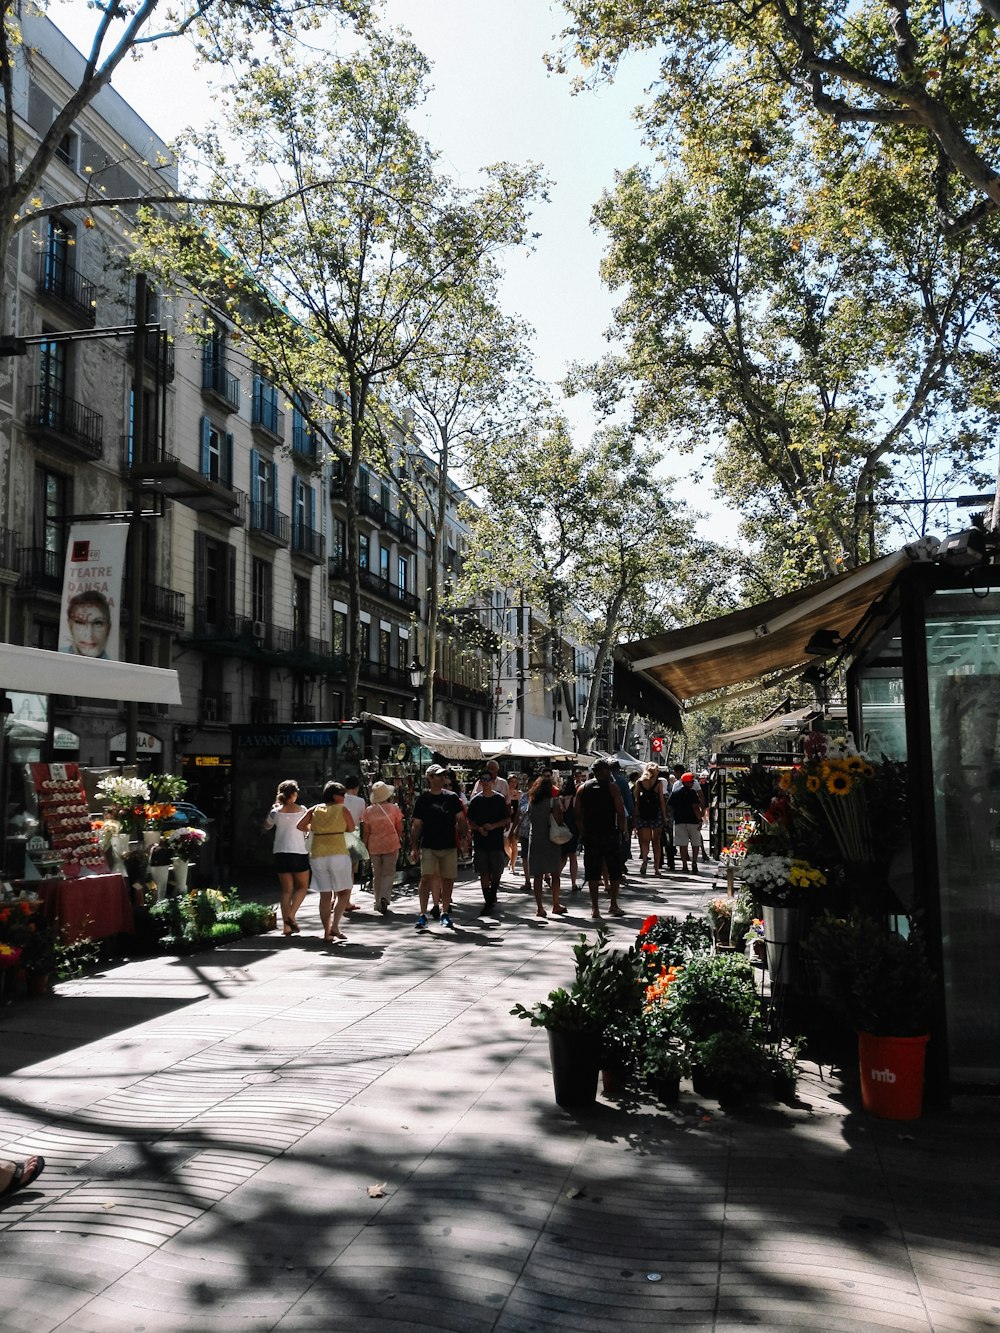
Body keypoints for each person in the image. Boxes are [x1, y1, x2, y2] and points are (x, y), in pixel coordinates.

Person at [409, 764, 469, 929]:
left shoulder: (451, 798)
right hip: (428, 845)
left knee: (448, 879)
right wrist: (414, 847)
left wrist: (463, 840)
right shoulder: (423, 799)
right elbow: (416, 825)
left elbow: (461, 820)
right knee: (425, 877)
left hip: (449, 844)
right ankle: (422, 914)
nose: (443, 778)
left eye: (444, 775)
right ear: (430, 778)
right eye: (438, 775)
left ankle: (445, 913)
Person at [297, 780, 356, 942]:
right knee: (344, 892)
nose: (344, 797)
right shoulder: (342, 809)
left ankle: (326, 932)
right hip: (338, 853)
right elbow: (351, 828)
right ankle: (335, 925)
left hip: (317, 855)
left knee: (325, 895)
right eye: (342, 795)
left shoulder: (314, 809)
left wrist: (314, 829)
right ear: (335, 796)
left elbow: (300, 825)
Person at [575, 758, 627, 918]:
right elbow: (620, 811)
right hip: (609, 833)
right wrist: (622, 830)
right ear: (604, 771)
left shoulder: (582, 788)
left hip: (591, 835)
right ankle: (613, 904)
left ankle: (595, 908)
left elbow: (577, 814)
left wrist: (583, 832)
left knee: (592, 872)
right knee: (614, 870)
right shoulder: (612, 788)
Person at [264, 779, 310, 935]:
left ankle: (286, 927)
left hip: (280, 852)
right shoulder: (303, 810)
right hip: (299, 851)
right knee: (302, 887)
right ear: (294, 794)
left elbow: (267, 826)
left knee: (286, 891)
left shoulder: (275, 812)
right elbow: (307, 829)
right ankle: (291, 915)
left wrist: (275, 809)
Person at [467, 769, 509, 914]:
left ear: (492, 782)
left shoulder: (499, 799)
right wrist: (479, 829)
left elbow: (506, 819)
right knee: (483, 871)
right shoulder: (476, 800)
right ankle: (488, 901)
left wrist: (493, 826)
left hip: (496, 840)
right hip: (480, 841)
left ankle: (493, 893)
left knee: (496, 871)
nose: (485, 782)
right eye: (482, 779)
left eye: (487, 779)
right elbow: (469, 820)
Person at [527, 769, 566, 917]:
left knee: (538, 875)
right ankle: (555, 904)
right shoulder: (553, 802)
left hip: (535, 839)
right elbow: (559, 820)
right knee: (555, 873)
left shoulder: (532, 802)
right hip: (551, 839)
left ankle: (540, 908)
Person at [361, 780, 403, 914]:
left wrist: (365, 846)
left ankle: (377, 901)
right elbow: (399, 828)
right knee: (389, 873)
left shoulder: (368, 811)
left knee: (376, 874)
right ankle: (385, 897)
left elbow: (366, 831)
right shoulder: (394, 809)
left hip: (374, 845)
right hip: (391, 843)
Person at [633, 762, 669, 876]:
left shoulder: (639, 782)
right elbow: (662, 801)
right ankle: (656, 868)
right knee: (656, 842)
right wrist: (664, 816)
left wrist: (636, 814)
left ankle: (644, 861)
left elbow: (637, 800)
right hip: (656, 814)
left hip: (643, 814)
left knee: (645, 841)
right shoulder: (659, 783)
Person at [668, 772, 705, 874]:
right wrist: (700, 820)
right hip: (693, 821)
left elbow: (670, 806)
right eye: (692, 781)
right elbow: (695, 807)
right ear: (688, 782)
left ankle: (684, 865)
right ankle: (694, 863)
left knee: (682, 844)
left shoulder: (675, 793)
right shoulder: (693, 793)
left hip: (679, 821)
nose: (693, 783)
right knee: (695, 843)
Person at [61, 589, 112, 658]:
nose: (89, 634)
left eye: (98, 623)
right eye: (80, 623)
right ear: (70, 625)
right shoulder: (55, 658)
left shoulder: (115, 667)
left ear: (108, 628)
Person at [342, 774, 368, 910]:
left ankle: (336, 898)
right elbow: (362, 819)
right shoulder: (360, 801)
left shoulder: (339, 800)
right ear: (356, 787)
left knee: (339, 868)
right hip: (353, 834)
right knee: (351, 869)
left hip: (339, 834)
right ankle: (346, 901)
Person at [558, 772, 581, 893]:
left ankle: (555, 876)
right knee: (573, 857)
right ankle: (573, 882)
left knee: (562, 856)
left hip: (562, 829)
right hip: (573, 829)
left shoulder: (559, 798)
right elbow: (578, 813)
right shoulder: (575, 798)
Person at [504, 773, 522, 874]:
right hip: (507, 821)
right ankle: (511, 859)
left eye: (515, 782)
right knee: (506, 845)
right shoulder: (505, 793)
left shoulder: (519, 794)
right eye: (511, 782)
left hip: (515, 821)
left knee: (514, 844)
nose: (513, 784)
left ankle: (513, 865)